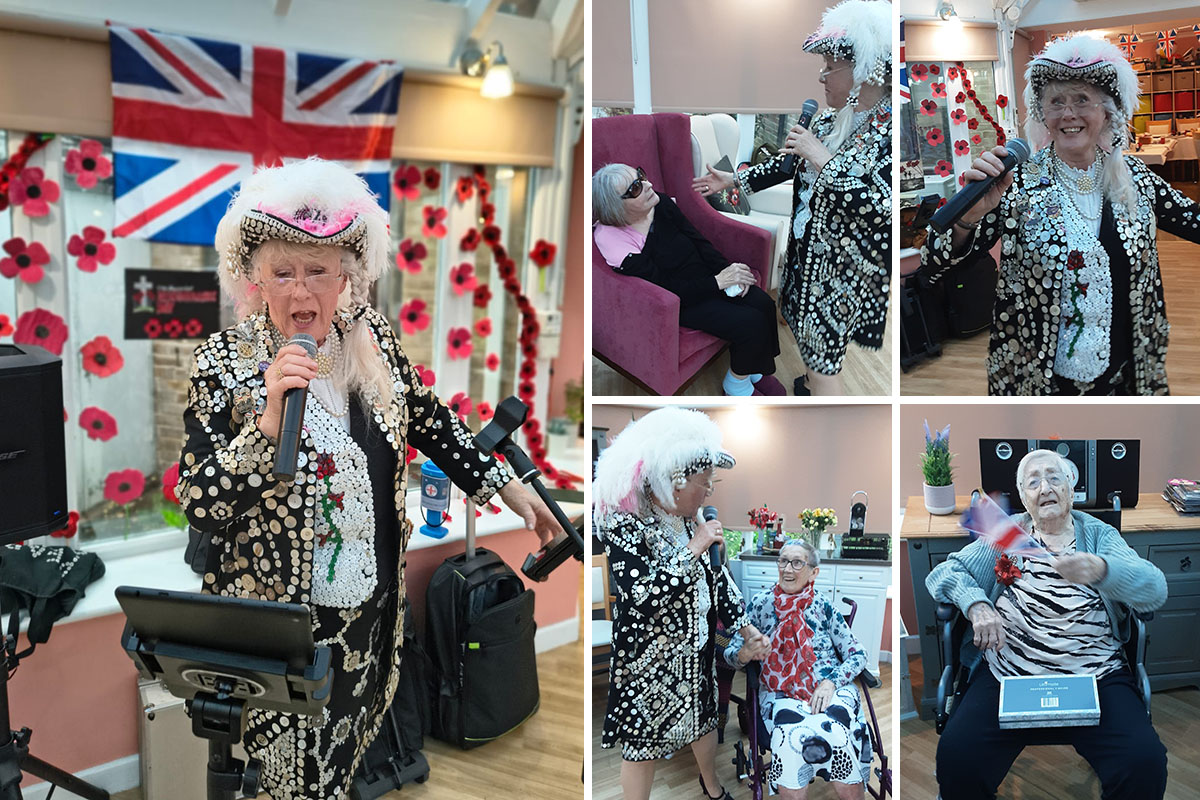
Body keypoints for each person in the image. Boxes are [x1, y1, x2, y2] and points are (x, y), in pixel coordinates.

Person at [176, 157, 559, 800]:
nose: (302, 294)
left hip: (372, 616)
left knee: (346, 765)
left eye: (318, 271)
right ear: (255, 281)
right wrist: (268, 425)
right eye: (283, 273)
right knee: (289, 782)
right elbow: (200, 500)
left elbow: (431, 421)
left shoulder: (372, 339)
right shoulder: (226, 362)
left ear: (347, 274)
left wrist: (506, 485)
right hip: (285, 626)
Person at [922, 33, 1200, 395]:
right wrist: (967, 218)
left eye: (1082, 100)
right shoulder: (1013, 183)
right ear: (1043, 114)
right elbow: (936, 266)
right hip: (1038, 378)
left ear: (1106, 111)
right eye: (1056, 102)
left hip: (1125, 374)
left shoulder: (1137, 180)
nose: (1068, 114)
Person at [926, 449, 1168, 800]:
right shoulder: (1008, 535)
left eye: (1055, 477)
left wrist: (1103, 570)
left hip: (1095, 674)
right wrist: (976, 603)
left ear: (1072, 486)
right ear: (1023, 497)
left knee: (1143, 762)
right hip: (1008, 674)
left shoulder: (1097, 535)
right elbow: (945, 573)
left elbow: (1155, 588)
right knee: (957, 759)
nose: (1045, 488)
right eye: (1033, 482)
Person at [692, 0, 892, 396]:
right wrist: (731, 182)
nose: (821, 76)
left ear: (864, 69)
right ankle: (812, 382)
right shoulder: (827, 119)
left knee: (824, 362)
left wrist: (822, 157)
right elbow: (785, 167)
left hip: (842, 276)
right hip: (806, 259)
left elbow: (881, 208)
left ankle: (822, 406)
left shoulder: (888, 132)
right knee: (805, 335)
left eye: (829, 67)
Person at [592, 407, 768, 799]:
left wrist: (746, 628)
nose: (710, 491)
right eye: (705, 482)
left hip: (696, 656)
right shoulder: (624, 520)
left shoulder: (692, 518)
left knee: (703, 723)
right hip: (648, 662)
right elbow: (642, 597)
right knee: (642, 747)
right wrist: (695, 547)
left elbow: (718, 580)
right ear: (675, 478)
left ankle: (712, 786)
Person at [593, 163, 783, 396]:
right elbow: (660, 288)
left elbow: (697, 239)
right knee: (749, 322)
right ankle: (736, 385)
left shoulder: (659, 202)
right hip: (677, 301)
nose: (648, 185)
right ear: (616, 207)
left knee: (764, 304)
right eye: (635, 188)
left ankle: (754, 367)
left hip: (705, 277)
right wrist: (718, 282)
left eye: (641, 176)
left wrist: (727, 271)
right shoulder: (613, 240)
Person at [724, 540, 877, 800]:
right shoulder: (760, 605)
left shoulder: (823, 607)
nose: (787, 569)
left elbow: (858, 653)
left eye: (797, 563)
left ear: (813, 572)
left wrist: (830, 682)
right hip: (780, 694)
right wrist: (746, 653)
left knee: (838, 734)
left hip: (830, 689)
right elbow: (730, 653)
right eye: (783, 561)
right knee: (788, 739)